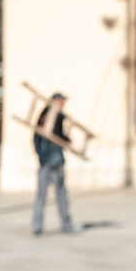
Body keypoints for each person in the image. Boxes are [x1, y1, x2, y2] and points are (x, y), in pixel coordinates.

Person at [32, 93, 79, 235]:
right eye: (62, 101)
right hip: (53, 163)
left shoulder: (45, 114)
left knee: (48, 195)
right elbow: (56, 133)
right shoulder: (54, 115)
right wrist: (67, 139)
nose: (63, 104)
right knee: (59, 195)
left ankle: (39, 226)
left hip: (47, 162)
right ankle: (64, 225)